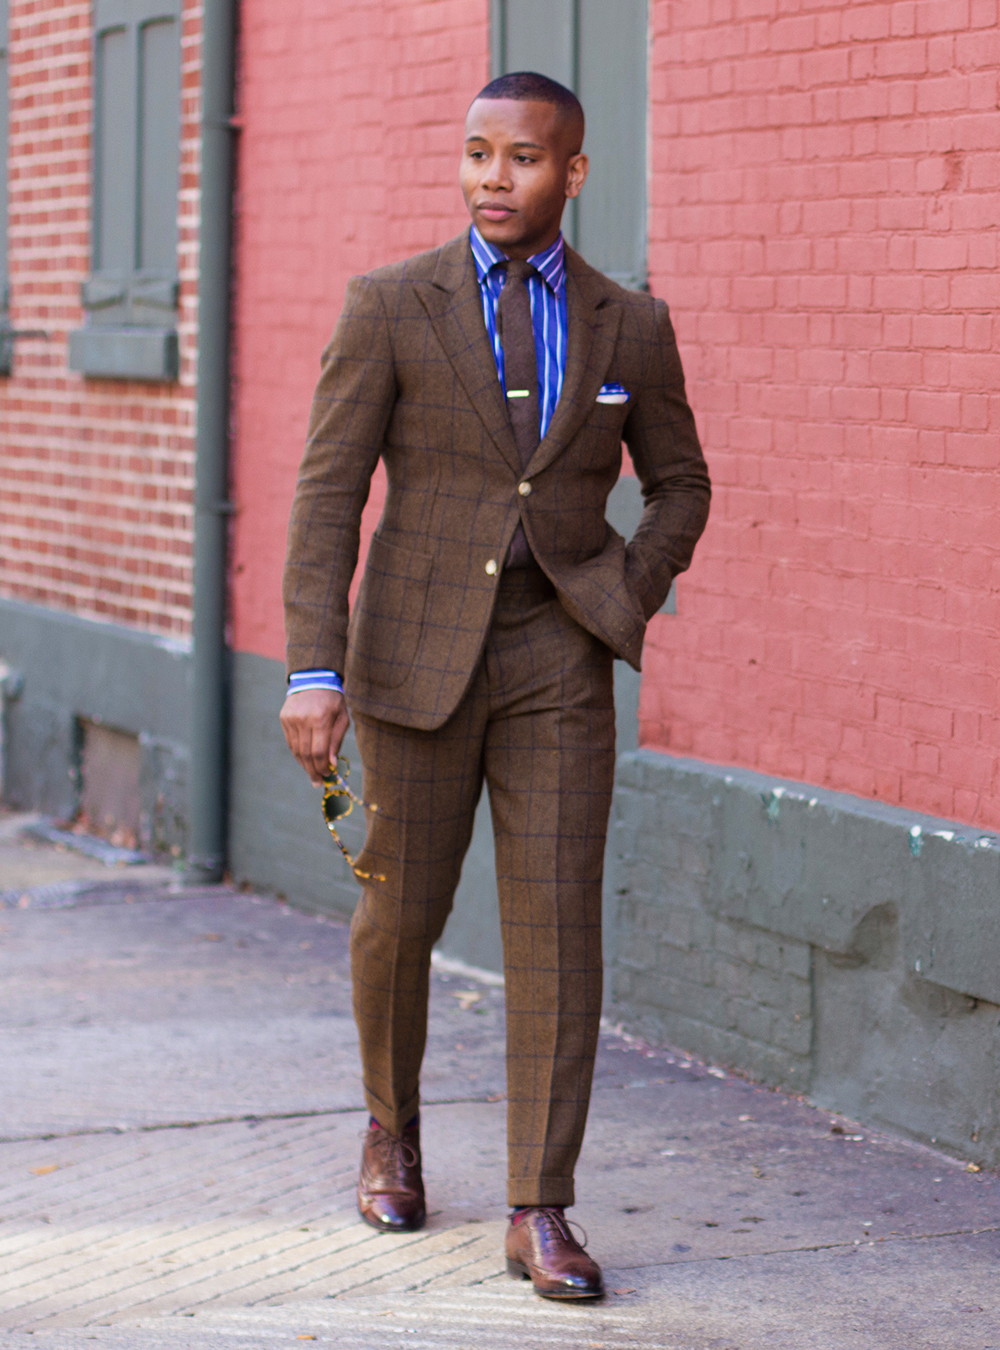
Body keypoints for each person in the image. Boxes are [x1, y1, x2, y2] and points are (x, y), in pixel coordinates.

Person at [280, 70, 710, 1301]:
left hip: (556, 659)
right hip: (412, 660)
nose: (492, 178)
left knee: (557, 940)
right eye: (476, 155)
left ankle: (540, 1207)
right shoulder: (390, 306)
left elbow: (682, 481)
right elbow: (325, 500)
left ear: (572, 173)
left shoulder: (629, 322)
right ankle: (390, 1131)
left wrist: (625, 589)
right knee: (399, 919)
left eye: (521, 159)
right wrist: (316, 670)